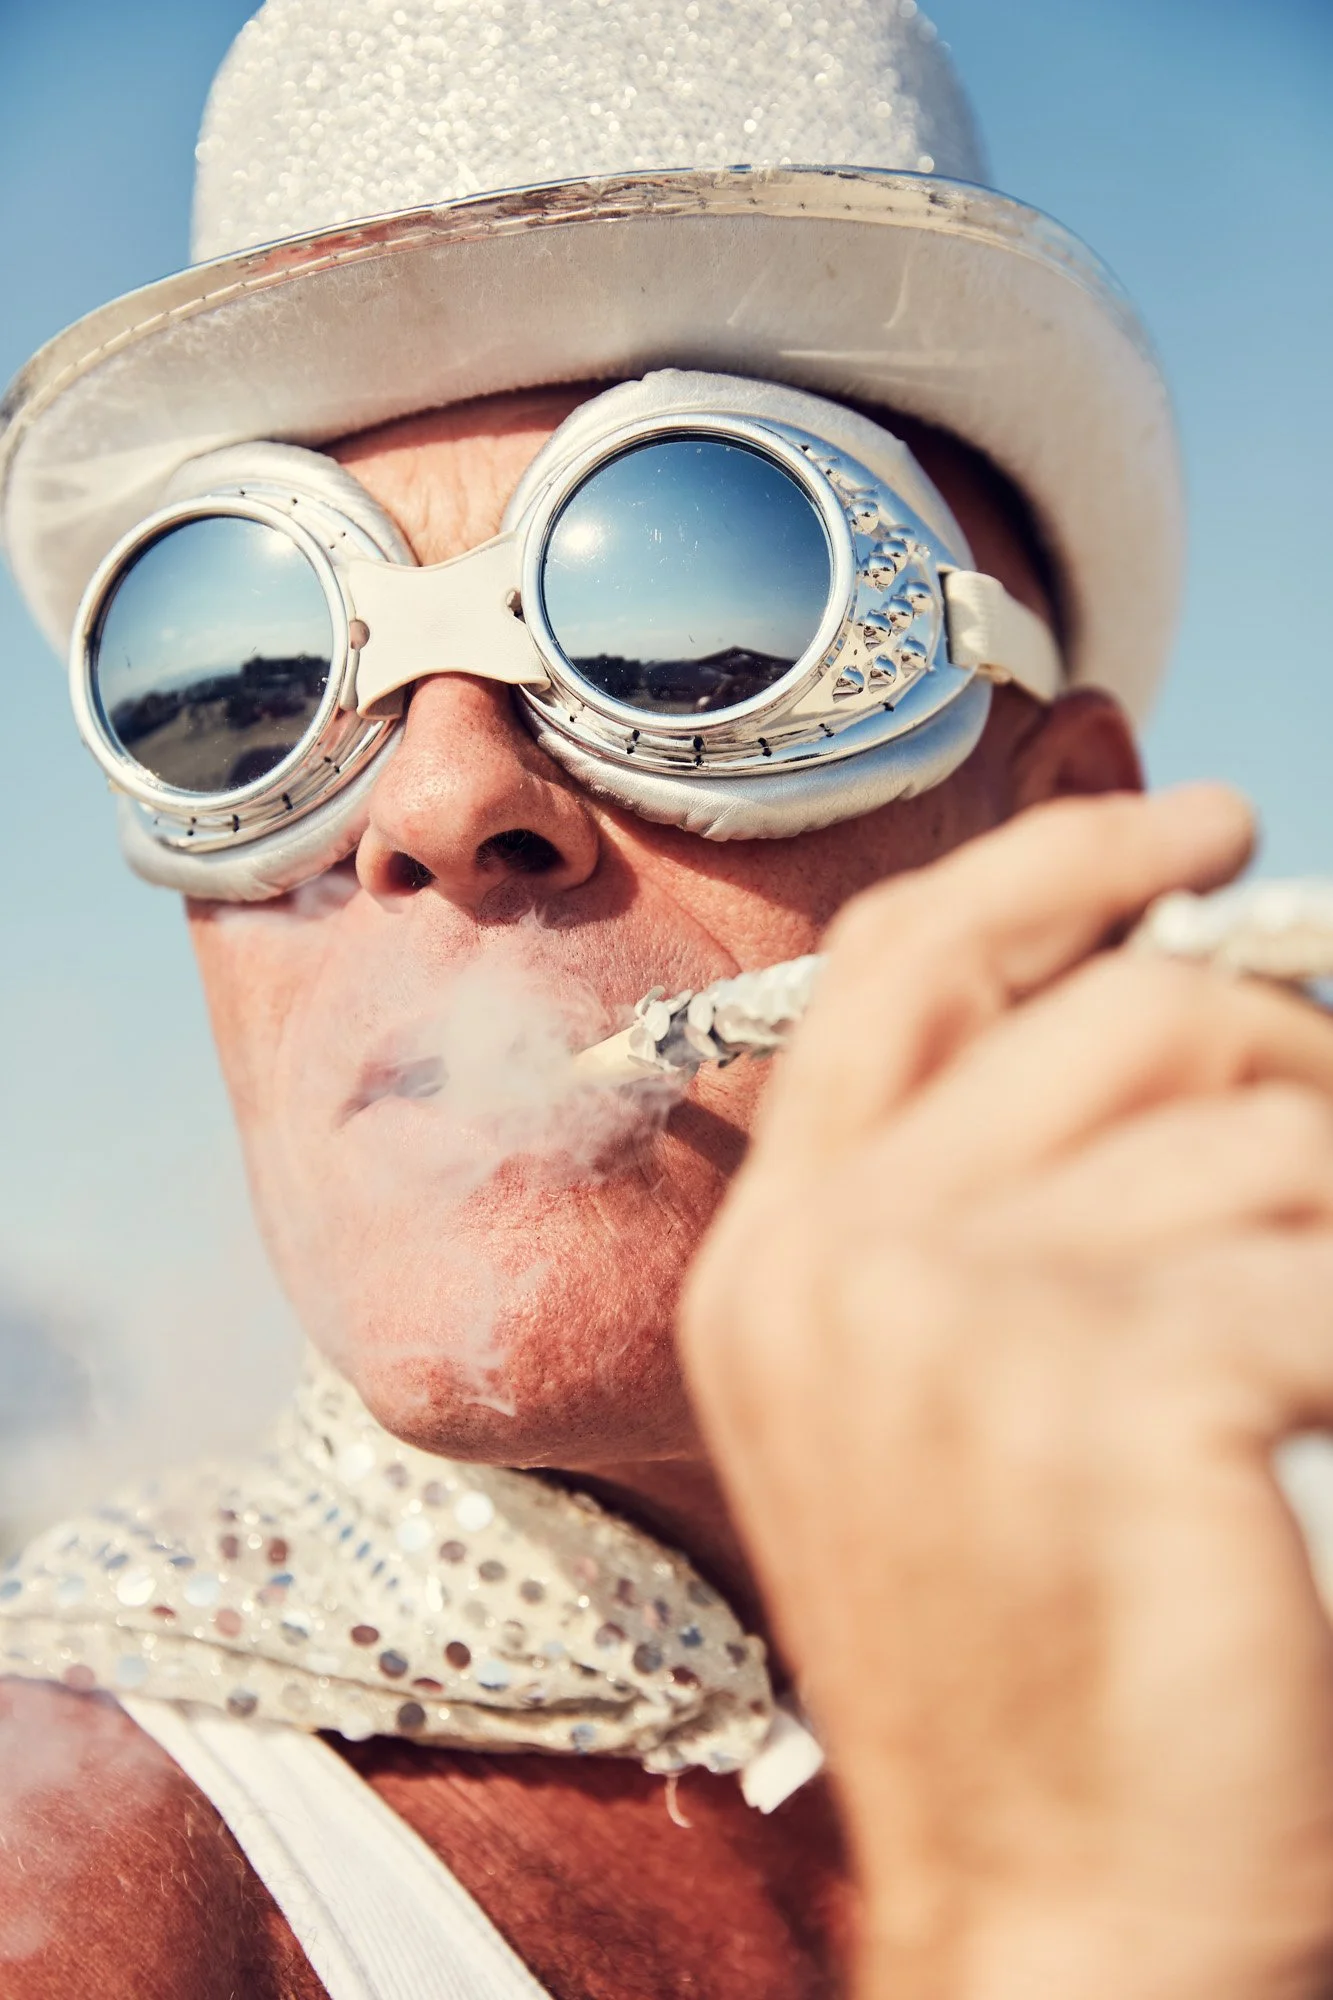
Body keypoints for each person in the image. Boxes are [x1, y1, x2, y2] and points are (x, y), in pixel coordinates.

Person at [5, 2, 1333, 1996]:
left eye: (678, 617)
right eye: (265, 674)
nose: (439, 801)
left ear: (1052, 846)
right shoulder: (85, 1883)